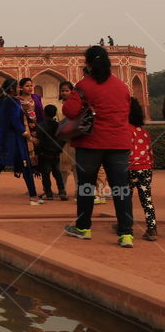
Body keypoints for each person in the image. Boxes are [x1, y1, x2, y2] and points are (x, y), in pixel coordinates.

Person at [62, 46, 134, 247]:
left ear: (88, 64)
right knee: (121, 188)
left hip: (91, 144)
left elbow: (69, 111)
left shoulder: (84, 86)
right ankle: (126, 233)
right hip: (119, 143)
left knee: (86, 186)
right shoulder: (121, 86)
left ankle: (83, 228)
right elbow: (127, 110)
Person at [0, 79, 42, 206]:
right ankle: (33, 196)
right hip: (15, 140)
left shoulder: (0, 102)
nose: (19, 89)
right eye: (18, 87)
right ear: (11, 89)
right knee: (26, 166)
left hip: (3, 138)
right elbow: (15, 121)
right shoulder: (12, 101)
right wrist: (29, 137)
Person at [127, 97, 157, 241]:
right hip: (145, 168)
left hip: (130, 168)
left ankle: (126, 226)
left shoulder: (126, 130)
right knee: (147, 199)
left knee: (124, 198)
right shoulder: (144, 132)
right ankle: (152, 228)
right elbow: (150, 153)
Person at [36, 105, 66, 200]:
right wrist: (59, 147)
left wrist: (37, 152)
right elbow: (63, 139)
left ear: (44, 113)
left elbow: (38, 141)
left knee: (45, 174)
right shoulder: (58, 125)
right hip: (56, 153)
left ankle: (48, 193)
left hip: (45, 153)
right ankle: (62, 192)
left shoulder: (41, 125)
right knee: (57, 173)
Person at [58, 81, 78, 198]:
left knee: (76, 166)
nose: (64, 93)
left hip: (74, 139)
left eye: (67, 90)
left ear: (72, 91)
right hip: (62, 139)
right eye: (62, 91)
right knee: (63, 166)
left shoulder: (76, 105)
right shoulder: (57, 105)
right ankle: (63, 189)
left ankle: (77, 189)